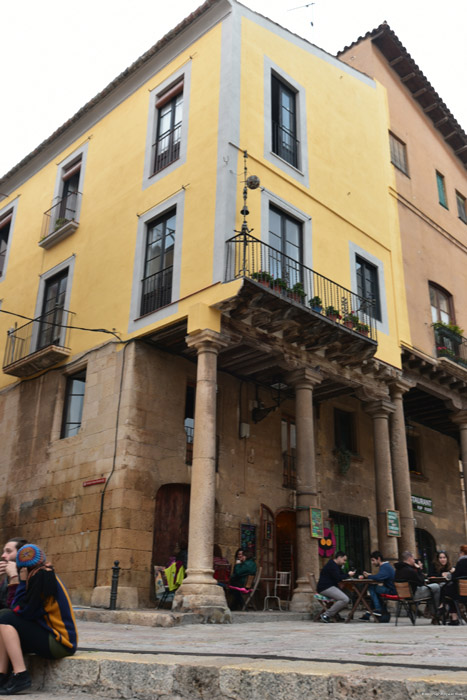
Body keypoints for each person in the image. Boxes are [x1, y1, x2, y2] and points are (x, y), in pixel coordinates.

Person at [0, 544, 78, 695]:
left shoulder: (39, 578)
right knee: (4, 617)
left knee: (4, 616)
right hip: (53, 638)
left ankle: (20, 675)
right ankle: (2, 675)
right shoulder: (42, 574)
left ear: (23, 567)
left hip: (59, 642)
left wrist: (18, 580)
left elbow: (21, 611)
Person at [394, 550, 441, 622]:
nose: (414, 560)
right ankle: (435, 613)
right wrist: (419, 569)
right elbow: (421, 581)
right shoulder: (410, 570)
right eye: (413, 559)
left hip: (403, 595)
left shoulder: (398, 570)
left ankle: (432, 612)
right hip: (414, 594)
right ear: (409, 559)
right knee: (436, 587)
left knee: (432, 590)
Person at [317, 550, 355, 623]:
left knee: (350, 595)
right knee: (344, 599)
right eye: (344, 560)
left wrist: (346, 575)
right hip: (325, 588)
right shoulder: (332, 565)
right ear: (339, 558)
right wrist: (348, 575)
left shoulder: (337, 566)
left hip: (331, 587)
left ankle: (334, 614)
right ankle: (326, 615)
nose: (345, 562)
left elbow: (340, 575)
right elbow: (338, 577)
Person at [359, 550, 395, 620]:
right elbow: (380, 577)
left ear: (378, 559)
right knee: (374, 594)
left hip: (392, 590)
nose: (372, 563)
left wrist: (368, 576)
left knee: (372, 587)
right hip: (391, 588)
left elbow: (379, 577)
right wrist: (371, 576)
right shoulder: (386, 566)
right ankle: (368, 614)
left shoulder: (385, 567)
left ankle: (378, 609)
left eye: (373, 560)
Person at [439, 544, 467, 625]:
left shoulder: (461, 562)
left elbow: (454, 577)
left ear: (462, 553)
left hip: (461, 593)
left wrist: (449, 574)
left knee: (447, 593)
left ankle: (453, 617)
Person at [0, 540, 28, 610]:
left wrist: (14, 577)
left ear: (21, 555)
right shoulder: (5, 580)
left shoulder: (30, 577)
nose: (3, 556)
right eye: (4, 552)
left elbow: (17, 608)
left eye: (8, 551)